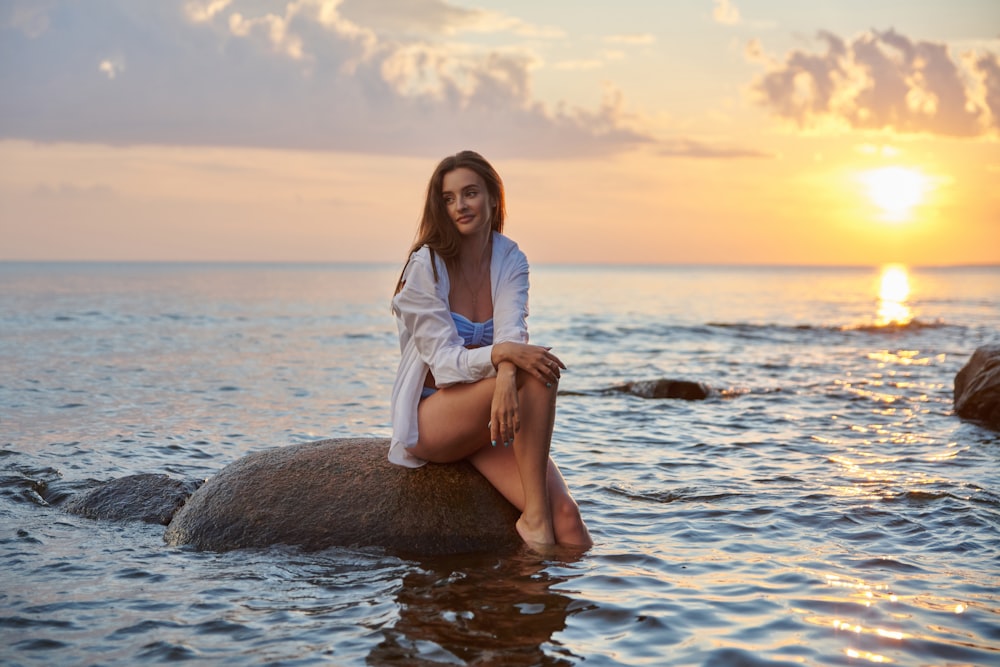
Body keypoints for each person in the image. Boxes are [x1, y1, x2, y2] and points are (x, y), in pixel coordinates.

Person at [390, 150, 592, 550]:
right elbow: (446, 366)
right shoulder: (425, 267)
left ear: (493, 198)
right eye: (449, 198)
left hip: (490, 420)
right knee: (537, 370)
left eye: (470, 193)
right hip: (435, 418)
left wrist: (507, 370)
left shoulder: (509, 258)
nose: (460, 206)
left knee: (568, 518)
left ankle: (574, 604)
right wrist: (504, 361)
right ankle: (534, 521)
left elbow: (512, 334)